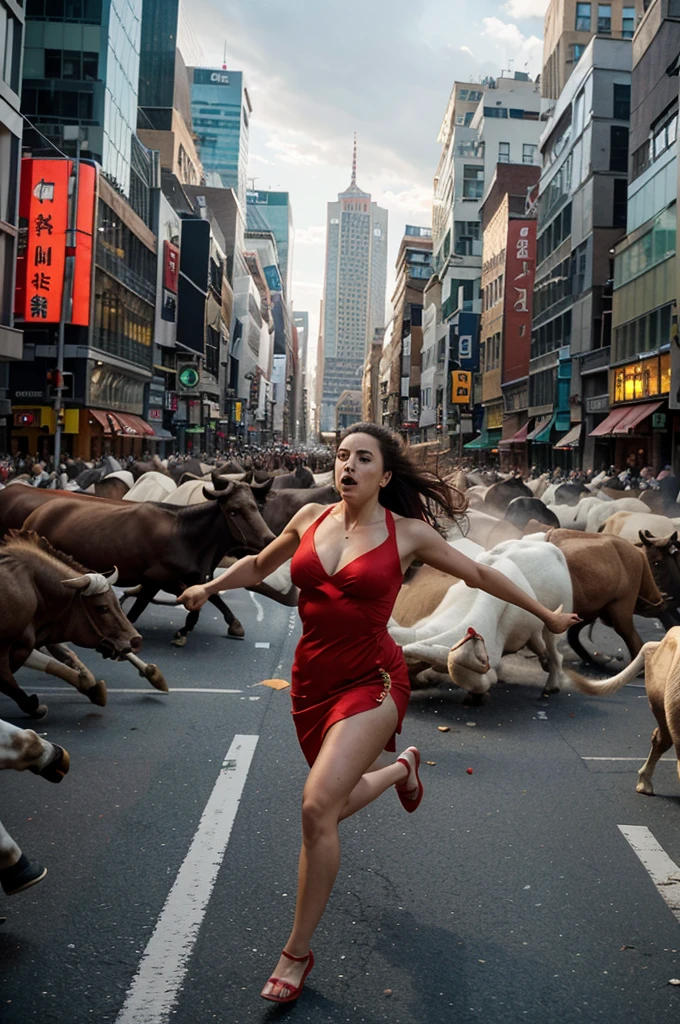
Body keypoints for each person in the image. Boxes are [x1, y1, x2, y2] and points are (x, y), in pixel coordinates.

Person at [178, 423, 579, 1004]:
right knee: (330, 801)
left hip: (375, 680)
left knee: (317, 806)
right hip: (311, 682)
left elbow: (483, 574)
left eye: (362, 459)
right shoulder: (307, 520)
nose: (348, 466)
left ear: (384, 475)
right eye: (341, 456)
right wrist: (209, 586)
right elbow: (260, 566)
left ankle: (295, 953)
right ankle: (399, 771)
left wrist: (545, 611)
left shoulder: (409, 533)